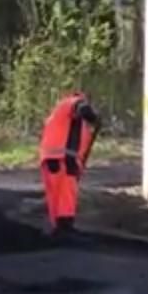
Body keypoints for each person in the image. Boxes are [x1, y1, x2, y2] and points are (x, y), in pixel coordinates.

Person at [38, 92, 99, 236]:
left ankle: (57, 228)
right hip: (63, 158)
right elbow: (82, 108)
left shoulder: (59, 112)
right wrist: (94, 118)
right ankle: (65, 227)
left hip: (51, 158)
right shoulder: (72, 102)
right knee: (65, 192)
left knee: (56, 195)